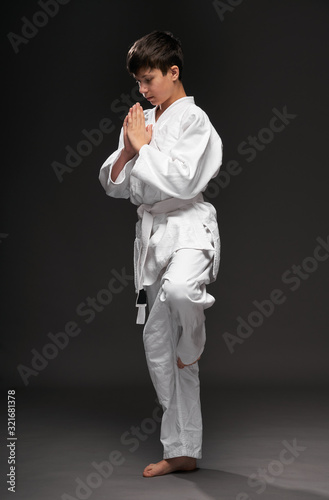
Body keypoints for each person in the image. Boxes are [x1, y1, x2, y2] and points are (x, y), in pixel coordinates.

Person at [99, 31, 223, 477]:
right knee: (158, 348)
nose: (143, 89)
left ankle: (194, 342)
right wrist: (130, 149)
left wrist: (141, 149)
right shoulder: (140, 121)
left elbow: (184, 182)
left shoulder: (196, 122)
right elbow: (117, 184)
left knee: (182, 293)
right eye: (138, 82)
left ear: (174, 72)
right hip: (152, 235)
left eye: (149, 79)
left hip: (188, 225)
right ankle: (183, 449)